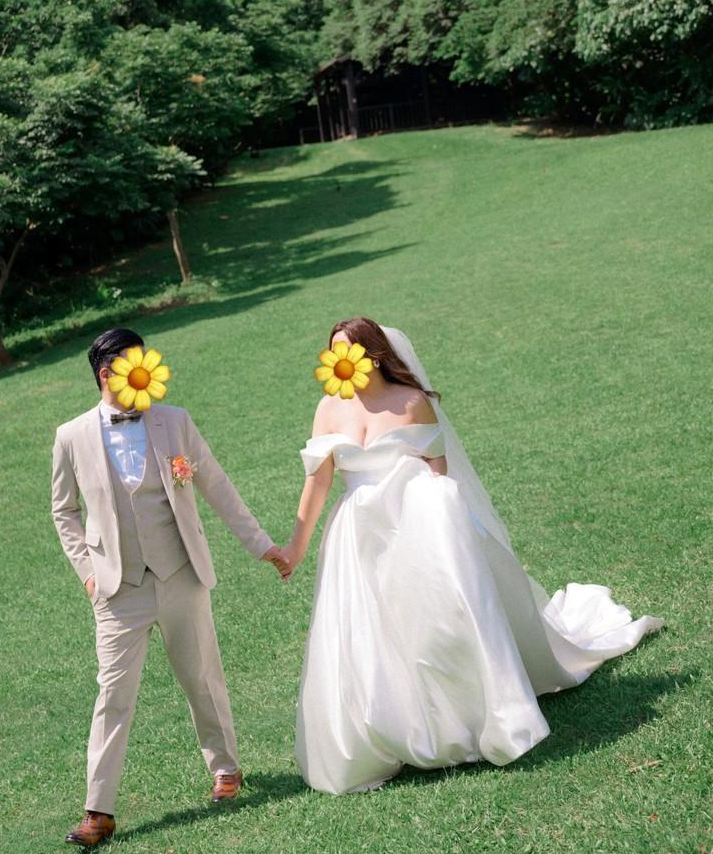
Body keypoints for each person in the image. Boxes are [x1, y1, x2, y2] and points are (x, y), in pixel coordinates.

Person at [282, 318, 664, 795]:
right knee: (364, 634)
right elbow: (317, 481)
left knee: (437, 627)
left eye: (350, 351)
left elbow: (437, 471)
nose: (342, 361)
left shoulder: (411, 403)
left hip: (412, 526)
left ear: (374, 356)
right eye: (335, 352)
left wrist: (439, 529)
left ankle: (462, 721)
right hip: (357, 536)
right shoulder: (328, 409)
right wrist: (295, 548)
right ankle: (383, 732)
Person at [52, 326, 290, 847]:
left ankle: (225, 769)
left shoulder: (175, 422)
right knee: (113, 695)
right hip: (117, 589)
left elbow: (216, 484)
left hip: (181, 573)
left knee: (202, 677)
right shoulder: (71, 436)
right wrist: (88, 571)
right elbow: (63, 510)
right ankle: (98, 811)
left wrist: (262, 545)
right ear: (106, 374)